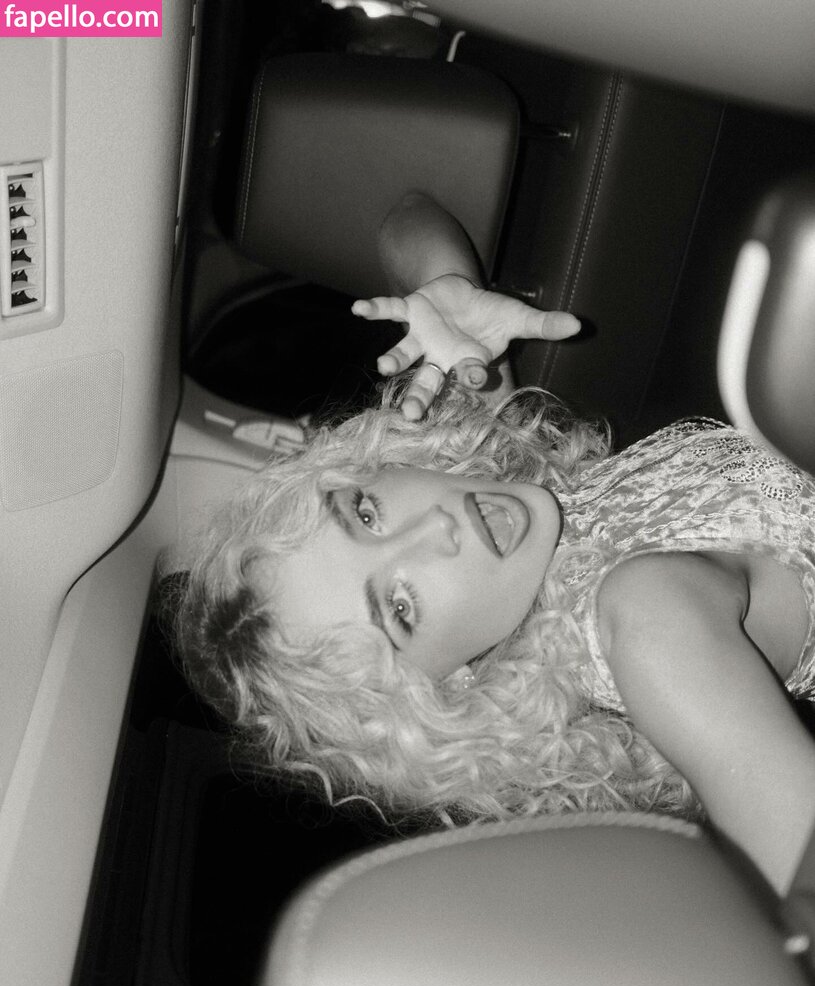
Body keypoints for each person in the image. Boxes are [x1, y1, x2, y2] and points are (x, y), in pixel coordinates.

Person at [172, 193, 815, 896]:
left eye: (364, 512)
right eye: (400, 608)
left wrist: (444, 290)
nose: (434, 531)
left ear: (370, 466)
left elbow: (405, 215)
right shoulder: (643, 621)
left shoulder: (513, 528)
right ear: (446, 691)